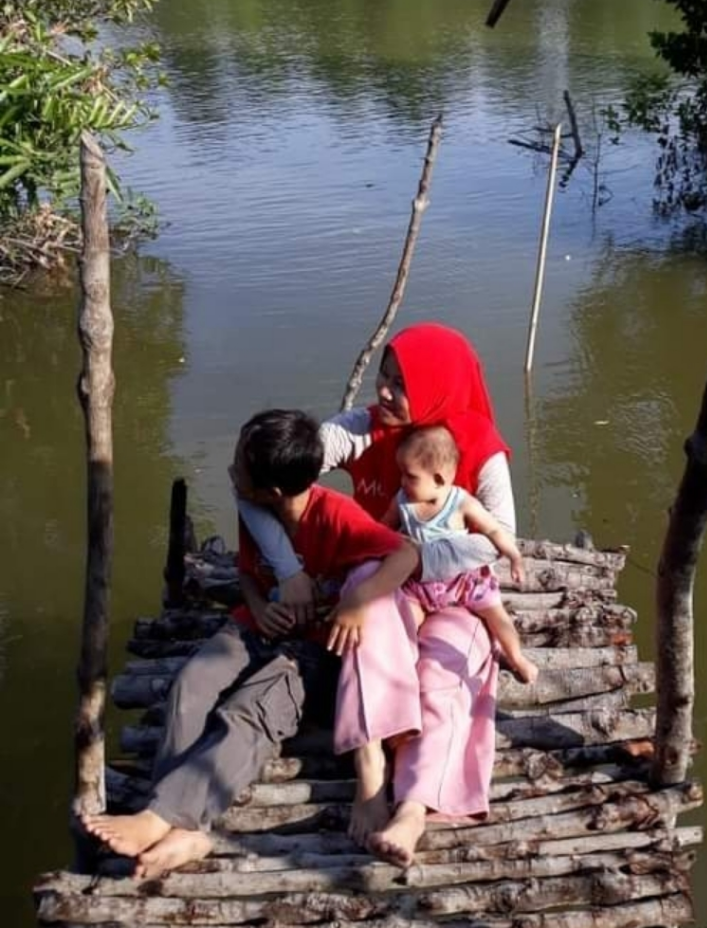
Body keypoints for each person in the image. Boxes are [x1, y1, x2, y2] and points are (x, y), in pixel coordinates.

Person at [83, 409, 418, 879]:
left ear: (272, 490)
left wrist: (358, 599)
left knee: (246, 709)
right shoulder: (257, 510)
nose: (231, 471)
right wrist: (259, 607)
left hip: (312, 653)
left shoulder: (335, 515)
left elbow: (406, 553)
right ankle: (180, 820)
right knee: (191, 686)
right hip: (257, 625)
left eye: (239, 466)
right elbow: (246, 572)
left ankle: (165, 820)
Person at [237, 323, 516, 867]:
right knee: (370, 606)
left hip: (453, 594)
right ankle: (371, 773)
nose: (383, 393)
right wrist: (289, 569)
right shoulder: (362, 430)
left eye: (400, 384)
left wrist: (416, 558)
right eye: (384, 378)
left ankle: (414, 807)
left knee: (449, 666)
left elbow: (496, 543)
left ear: (437, 387)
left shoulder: (479, 448)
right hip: (378, 578)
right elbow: (256, 484)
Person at [384, 424, 538, 685]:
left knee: (495, 614)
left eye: (410, 476)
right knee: (405, 619)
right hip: (420, 585)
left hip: (463, 581)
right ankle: (405, 667)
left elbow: (493, 529)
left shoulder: (460, 502)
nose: (402, 482)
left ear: (439, 479)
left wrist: (514, 556)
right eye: (402, 474)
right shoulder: (402, 500)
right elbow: (383, 526)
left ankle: (516, 656)